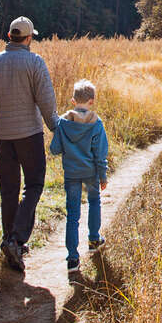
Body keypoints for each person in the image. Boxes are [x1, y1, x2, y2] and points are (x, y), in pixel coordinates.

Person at [0, 16, 59, 273]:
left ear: (10, 36)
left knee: (8, 189)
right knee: (34, 184)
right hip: (30, 135)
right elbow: (46, 100)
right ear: (29, 38)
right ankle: (16, 239)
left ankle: (9, 241)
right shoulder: (34, 62)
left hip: (3, 137)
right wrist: (57, 128)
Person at [50, 79, 109, 272]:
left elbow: (55, 149)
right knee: (94, 202)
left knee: (72, 214)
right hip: (91, 172)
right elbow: (100, 154)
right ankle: (93, 239)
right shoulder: (96, 124)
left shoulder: (63, 123)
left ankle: (72, 259)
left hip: (72, 173)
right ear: (92, 101)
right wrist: (103, 176)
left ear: (73, 101)